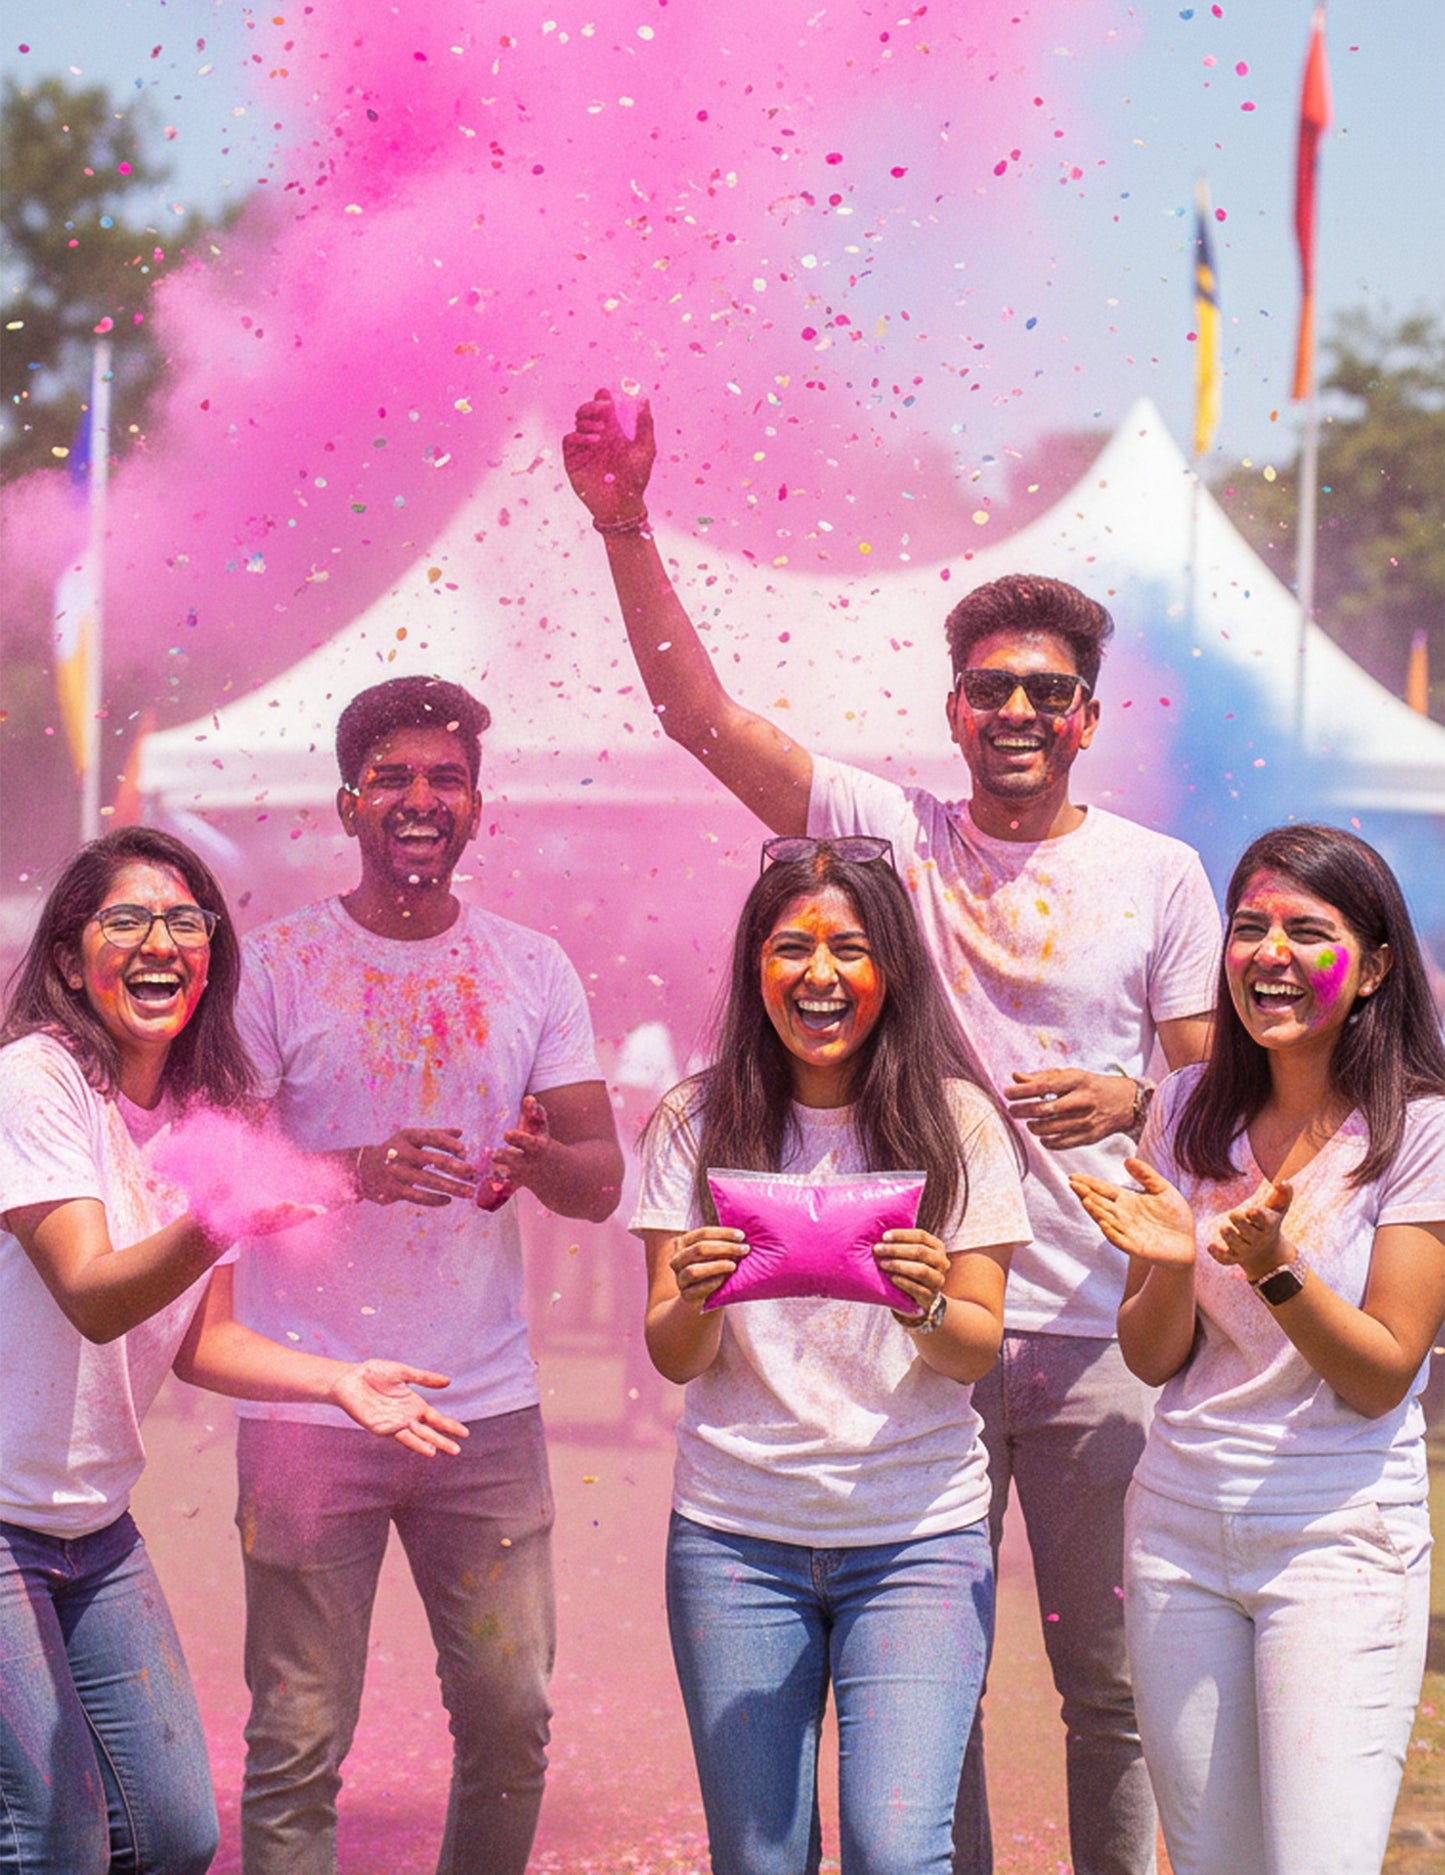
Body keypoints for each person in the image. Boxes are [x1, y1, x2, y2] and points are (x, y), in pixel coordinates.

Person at [564, 387, 1220, 1874]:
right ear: (953, 707)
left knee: (1105, 1690)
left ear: (1086, 716)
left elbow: (1211, 1087)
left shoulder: (1162, 873)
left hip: (1091, 1328)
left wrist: (1133, 1098)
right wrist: (625, 523)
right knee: (940, 1694)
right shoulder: (886, 833)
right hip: (905, 1335)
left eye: (1047, 690)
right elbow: (698, 718)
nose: (1017, 712)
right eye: (991, 685)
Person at [0, 826, 464, 1875]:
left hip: (92, 1529)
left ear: (211, 955)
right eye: (125, 921)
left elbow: (201, 1339)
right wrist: (220, 1219)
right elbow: (90, 1295)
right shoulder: (36, 1083)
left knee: (174, 1835)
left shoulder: (205, 1118)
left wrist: (338, 1379)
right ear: (72, 961)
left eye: (183, 921)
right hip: (1, 1527)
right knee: (55, 1839)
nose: (158, 941)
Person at [230, 675, 624, 1875]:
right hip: (305, 1402)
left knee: (510, 1721)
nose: (419, 798)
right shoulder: (273, 965)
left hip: (480, 1411)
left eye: (444, 778)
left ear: (477, 807)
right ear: (347, 802)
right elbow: (222, 1184)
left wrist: (539, 1160)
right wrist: (352, 1168)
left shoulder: (533, 968)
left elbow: (602, 1175)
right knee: (298, 1738)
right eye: (392, 777)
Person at [634, 836, 1030, 1874]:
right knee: (759, 1859)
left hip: (917, 1540)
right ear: (753, 965)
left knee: (897, 1852)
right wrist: (694, 1296)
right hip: (732, 1540)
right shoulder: (691, 1119)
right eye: (790, 948)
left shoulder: (958, 1124)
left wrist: (924, 1302)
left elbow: (974, 1347)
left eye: (848, 949)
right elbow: (673, 1355)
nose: (818, 976)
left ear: (891, 967)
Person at [1070, 823, 1445, 1875]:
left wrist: (1278, 1270)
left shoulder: (1418, 1130)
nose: (1266, 954)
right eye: (1247, 929)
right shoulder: (1186, 1107)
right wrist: (1173, 1264)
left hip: (1336, 1544)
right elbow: (1150, 1359)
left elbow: (1379, 1375)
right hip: (1180, 1537)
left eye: (1304, 931)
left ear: (1371, 969)